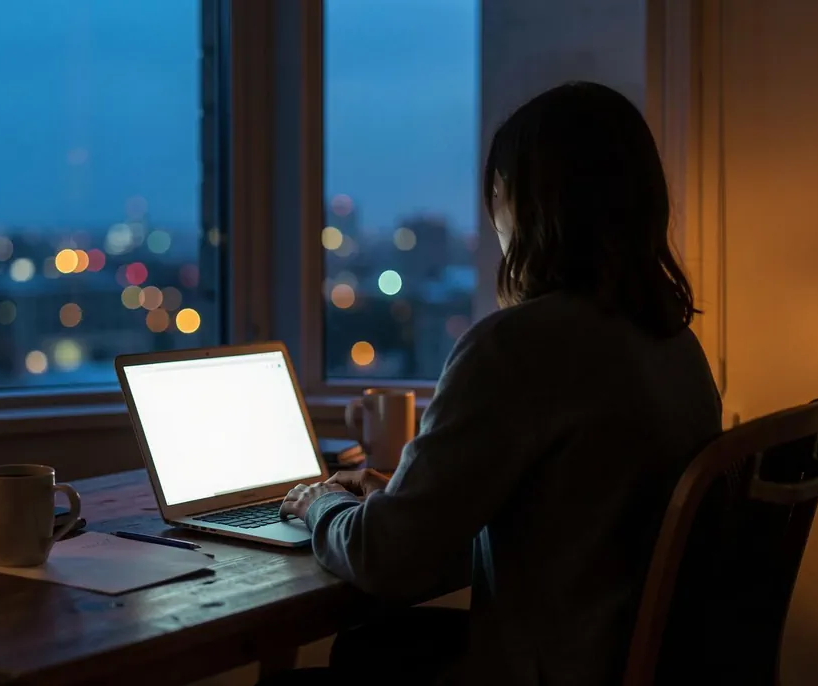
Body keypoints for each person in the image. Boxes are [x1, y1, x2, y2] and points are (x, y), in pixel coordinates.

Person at [273, 81, 722, 685]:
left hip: (551, 667)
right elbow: (575, 514)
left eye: (499, 196)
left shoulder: (514, 348)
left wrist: (318, 501)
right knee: (375, 647)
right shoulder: (676, 344)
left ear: (533, 206)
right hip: (622, 658)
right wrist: (409, 496)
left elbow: (386, 561)